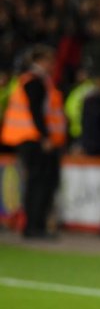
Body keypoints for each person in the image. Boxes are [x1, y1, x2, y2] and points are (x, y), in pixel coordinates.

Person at [1, 45, 66, 239]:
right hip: (33, 139)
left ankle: (37, 226)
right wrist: (45, 137)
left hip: (36, 139)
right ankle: (33, 227)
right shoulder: (33, 81)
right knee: (38, 184)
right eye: (49, 60)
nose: (52, 64)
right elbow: (36, 112)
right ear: (40, 61)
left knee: (42, 183)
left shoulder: (41, 81)